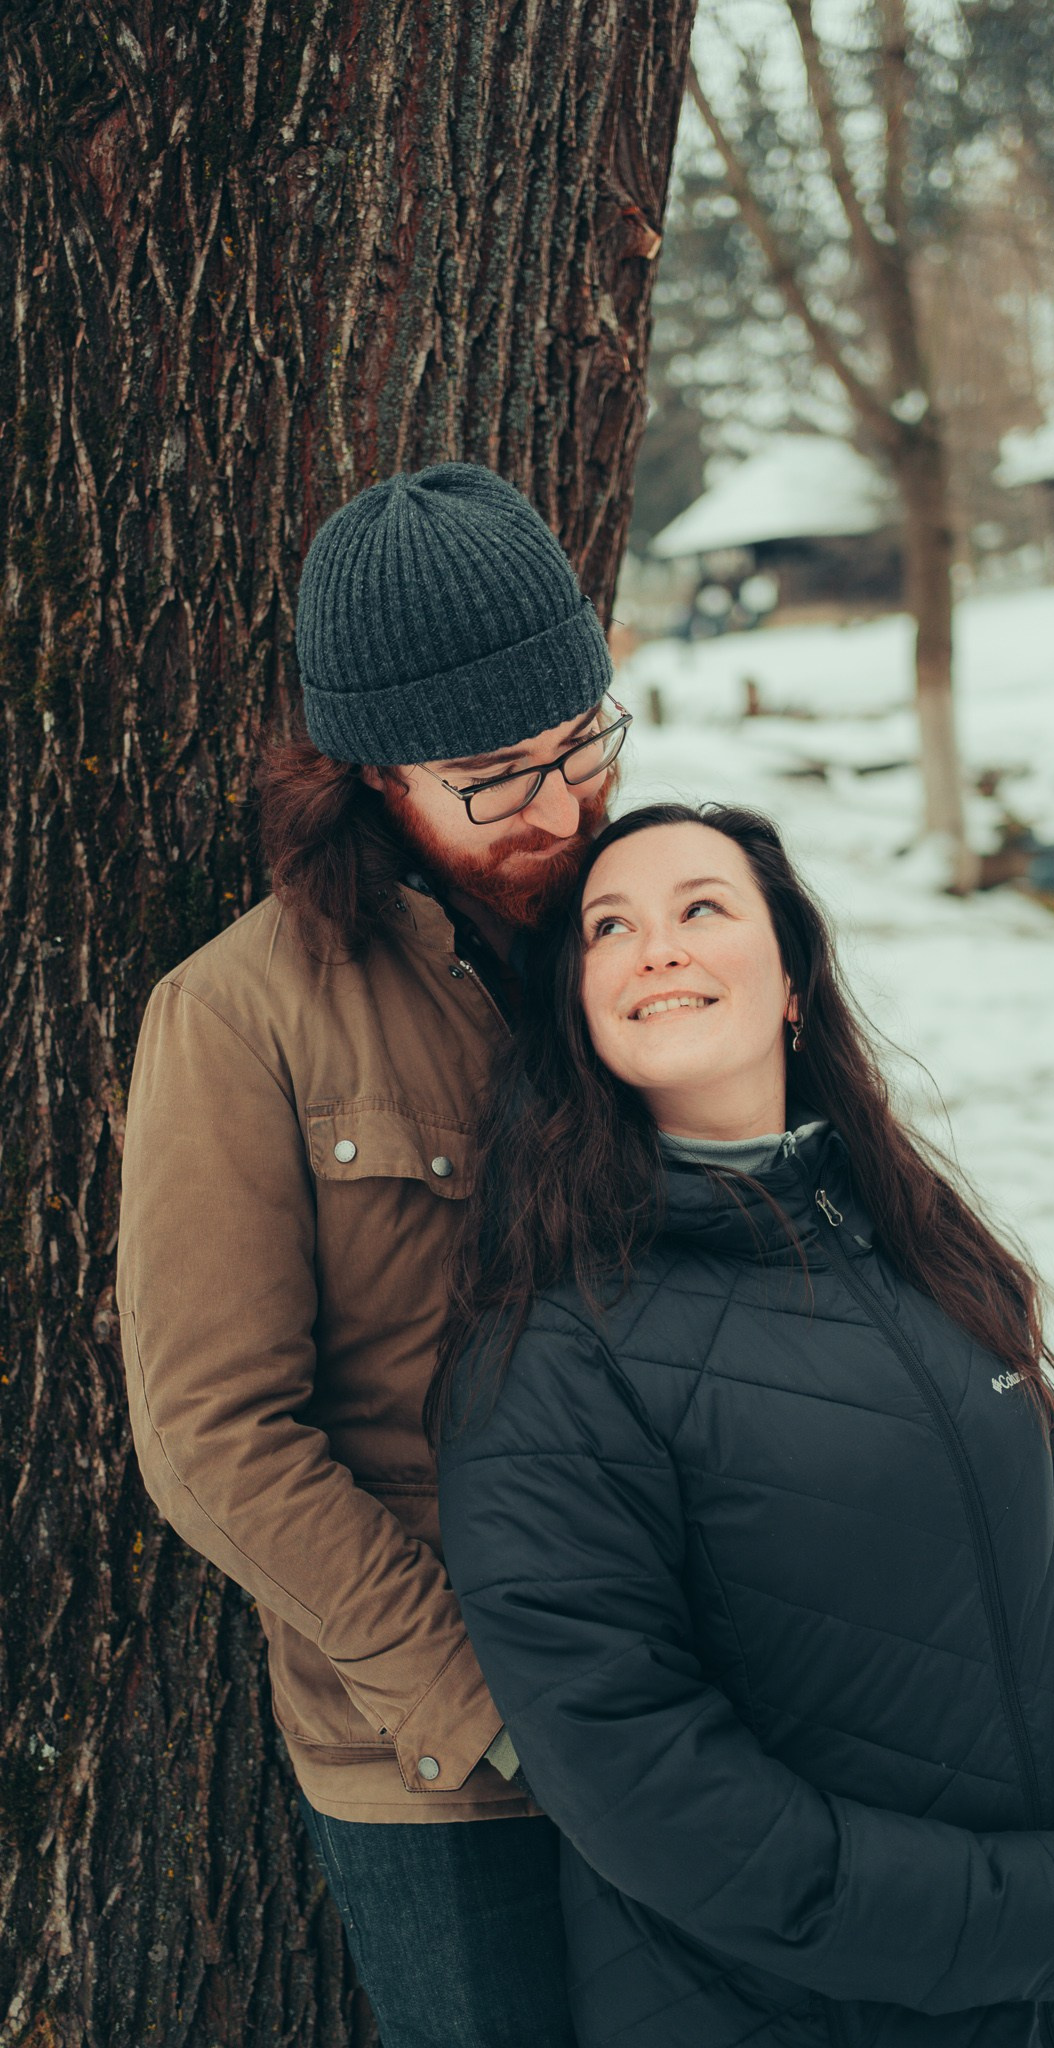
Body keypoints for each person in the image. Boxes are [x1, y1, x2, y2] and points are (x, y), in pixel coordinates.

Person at [434, 802, 1054, 2048]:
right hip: (780, 2007)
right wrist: (1035, 1913)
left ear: (792, 979)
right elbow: (648, 1783)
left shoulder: (915, 1236)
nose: (656, 947)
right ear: (577, 1008)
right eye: (609, 925)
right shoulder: (549, 1349)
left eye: (702, 907)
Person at [116, 462, 631, 2047]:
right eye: (492, 776)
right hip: (453, 1775)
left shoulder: (650, 934)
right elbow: (211, 1440)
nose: (558, 808)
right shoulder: (238, 1016)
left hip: (693, 1699)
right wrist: (478, 1701)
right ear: (367, 771)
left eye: (584, 747)